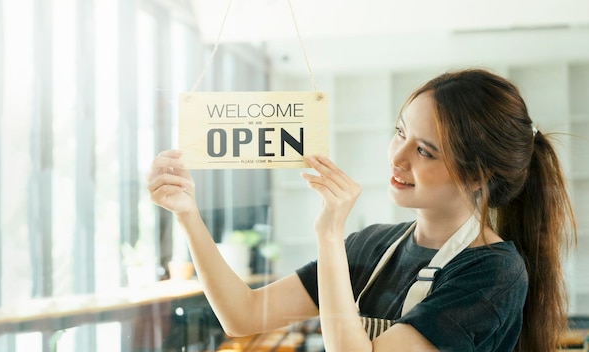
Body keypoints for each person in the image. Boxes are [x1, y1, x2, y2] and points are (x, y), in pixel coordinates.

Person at [147, 68, 577, 351]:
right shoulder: (373, 245)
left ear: (477, 175)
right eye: (399, 132)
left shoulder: (492, 273)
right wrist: (187, 213)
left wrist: (330, 235)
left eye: (424, 151)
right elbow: (242, 315)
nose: (398, 156)